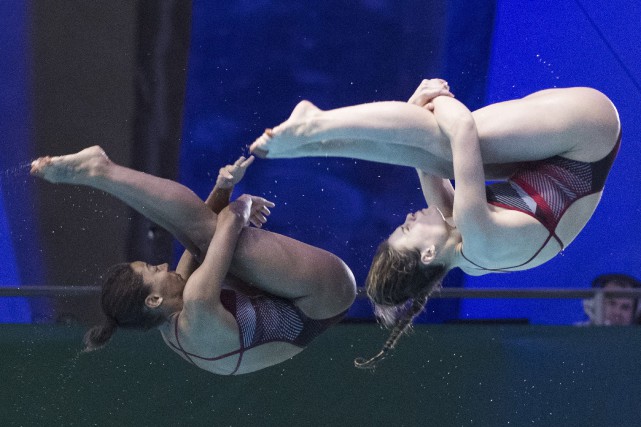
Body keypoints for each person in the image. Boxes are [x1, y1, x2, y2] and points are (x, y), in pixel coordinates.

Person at [249, 79, 621, 368]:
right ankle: (315, 123)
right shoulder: (480, 237)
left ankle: (312, 144)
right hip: (589, 133)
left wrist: (414, 107)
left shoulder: (457, 242)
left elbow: (423, 162)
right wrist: (436, 96)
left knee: (438, 154)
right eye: (407, 229)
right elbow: (459, 130)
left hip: (555, 152)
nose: (409, 217)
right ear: (428, 253)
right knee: (446, 144)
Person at [30, 147, 356, 375]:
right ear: (153, 298)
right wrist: (241, 201)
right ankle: (100, 171)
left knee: (199, 238)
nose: (160, 265)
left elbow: (197, 245)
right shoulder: (197, 305)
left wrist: (223, 186)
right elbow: (229, 221)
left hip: (284, 302)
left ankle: (99, 173)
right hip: (323, 295)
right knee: (209, 235)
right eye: (151, 271)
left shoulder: (169, 316)